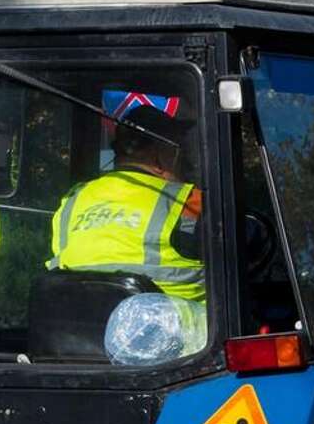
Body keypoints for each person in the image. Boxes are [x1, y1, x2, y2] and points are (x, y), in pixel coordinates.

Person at [50, 103, 205, 302]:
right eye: (179, 151)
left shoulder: (71, 202)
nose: (186, 161)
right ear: (158, 155)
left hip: (79, 330)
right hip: (180, 331)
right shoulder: (189, 202)